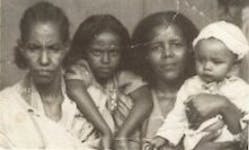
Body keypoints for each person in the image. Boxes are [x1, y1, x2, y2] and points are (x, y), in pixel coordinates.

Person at [0, 2, 97, 150]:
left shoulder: (94, 102)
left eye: (53, 49)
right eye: (34, 48)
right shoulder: (6, 106)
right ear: (22, 48)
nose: (44, 60)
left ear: (66, 47)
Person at [150, 21, 249, 150]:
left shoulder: (240, 88)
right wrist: (163, 136)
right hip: (195, 142)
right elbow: (177, 116)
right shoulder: (190, 86)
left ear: (234, 64)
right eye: (201, 60)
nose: (207, 67)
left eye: (216, 62)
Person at [64, 14, 153, 150]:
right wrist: (105, 131)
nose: (105, 60)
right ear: (84, 51)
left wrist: (123, 134)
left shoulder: (120, 76)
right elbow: (75, 89)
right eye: (97, 52)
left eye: (113, 52)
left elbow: (145, 100)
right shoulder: (82, 70)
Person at [129, 11, 198, 150]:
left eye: (176, 44)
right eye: (156, 47)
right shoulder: (133, 102)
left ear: (190, 48)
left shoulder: (209, 95)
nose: (167, 54)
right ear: (145, 54)